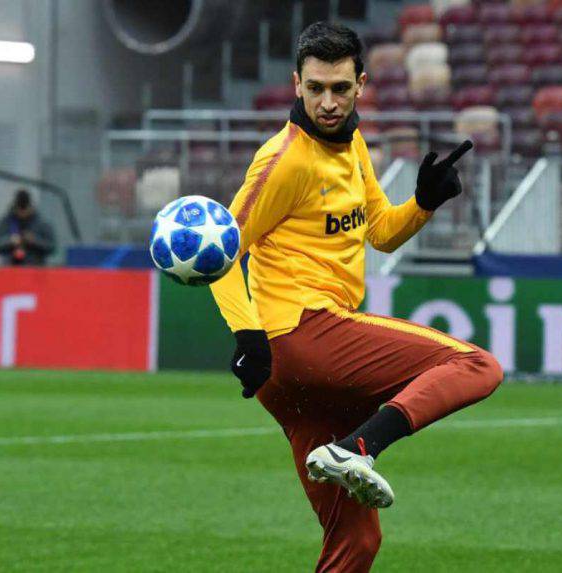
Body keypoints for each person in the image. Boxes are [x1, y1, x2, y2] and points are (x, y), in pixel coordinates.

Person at [209, 22, 504, 572]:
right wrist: (246, 332)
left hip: (296, 378)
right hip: (302, 336)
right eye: (315, 88)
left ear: (361, 85)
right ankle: (358, 449)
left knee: (356, 543)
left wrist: (423, 203)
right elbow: (221, 249)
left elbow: (380, 232)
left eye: (340, 89)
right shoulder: (284, 160)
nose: (327, 103)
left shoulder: (353, 144)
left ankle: (346, 451)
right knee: (476, 365)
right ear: (296, 84)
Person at [0, 188, 56, 266]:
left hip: (35, 268)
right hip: (9, 268)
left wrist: (35, 240)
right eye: (20, 210)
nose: (22, 213)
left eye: (25, 210)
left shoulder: (42, 223)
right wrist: (10, 240)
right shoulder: (5, 222)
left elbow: (52, 246)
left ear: (30, 207)